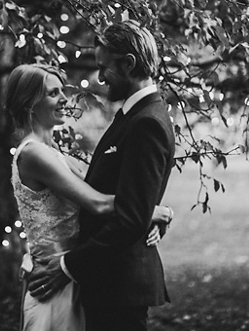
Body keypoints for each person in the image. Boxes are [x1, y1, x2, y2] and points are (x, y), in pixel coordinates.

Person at [27, 21, 175, 331]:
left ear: (129, 63)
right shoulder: (135, 116)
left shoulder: (146, 122)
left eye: (105, 67)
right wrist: (154, 212)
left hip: (118, 286)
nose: (100, 76)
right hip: (109, 282)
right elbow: (131, 200)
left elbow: (129, 219)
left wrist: (67, 266)